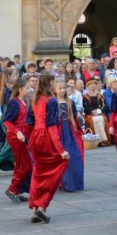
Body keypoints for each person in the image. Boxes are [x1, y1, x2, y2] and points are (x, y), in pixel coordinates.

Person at [25, 72, 69, 224]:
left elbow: (29, 122)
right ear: (48, 84)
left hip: (35, 138)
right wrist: (61, 150)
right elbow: (51, 127)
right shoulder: (51, 101)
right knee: (52, 174)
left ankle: (35, 209)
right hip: (45, 139)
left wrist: (29, 140)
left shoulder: (34, 99)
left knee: (38, 174)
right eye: (52, 83)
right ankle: (41, 206)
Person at [2, 79, 33, 203]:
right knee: (26, 165)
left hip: (23, 135)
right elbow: (7, 121)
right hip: (16, 137)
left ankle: (17, 190)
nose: (29, 90)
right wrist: (17, 132)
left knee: (21, 164)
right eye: (27, 87)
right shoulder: (14, 103)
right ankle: (12, 189)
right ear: (20, 89)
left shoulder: (24, 101)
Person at [56, 79, 85, 192]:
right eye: (60, 88)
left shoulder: (70, 103)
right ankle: (62, 182)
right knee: (60, 158)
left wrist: (81, 132)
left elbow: (75, 120)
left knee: (74, 156)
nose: (62, 90)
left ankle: (73, 183)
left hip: (70, 131)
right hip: (58, 131)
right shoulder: (53, 102)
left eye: (64, 88)